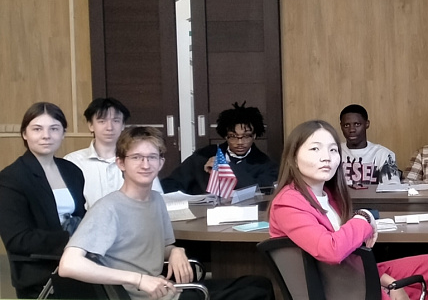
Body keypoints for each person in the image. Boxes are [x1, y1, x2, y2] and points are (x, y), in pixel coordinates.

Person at [59, 126, 273, 300]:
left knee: (260, 284)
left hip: (167, 290)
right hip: (143, 295)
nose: (145, 165)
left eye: (152, 157)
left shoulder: (156, 200)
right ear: (121, 163)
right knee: (253, 294)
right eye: (136, 157)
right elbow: (69, 265)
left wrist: (175, 251)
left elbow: (154, 248)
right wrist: (138, 279)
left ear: (161, 163)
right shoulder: (108, 208)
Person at [269, 120, 428, 300]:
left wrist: (385, 280)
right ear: (293, 158)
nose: (326, 157)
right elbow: (332, 251)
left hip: (350, 275)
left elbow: (349, 256)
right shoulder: (288, 201)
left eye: (333, 150)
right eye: (315, 149)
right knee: (423, 291)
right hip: (334, 289)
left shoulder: (330, 195)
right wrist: (363, 217)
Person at [0, 102, 86, 299]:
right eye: (37, 129)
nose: (46, 135)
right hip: (39, 273)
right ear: (24, 134)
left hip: (78, 265)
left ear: (63, 133)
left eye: (54, 129)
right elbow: (17, 239)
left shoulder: (72, 171)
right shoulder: (11, 177)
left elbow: (80, 217)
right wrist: (72, 240)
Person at [65, 97, 164, 208]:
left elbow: (156, 199)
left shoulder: (137, 160)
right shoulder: (73, 161)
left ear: (123, 125)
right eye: (102, 121)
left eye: (116, 121)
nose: (109, 127)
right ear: (91, 125)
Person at [161, 102, 279, 194]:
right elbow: (171, 183)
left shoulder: (265, 164)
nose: (240, 142)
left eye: (246, 136)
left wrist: (227, 167)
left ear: (255, 135)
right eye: (233, 136)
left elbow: (260, 191)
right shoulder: (204, 155)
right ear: (225, 136)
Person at [339, 104, 401, 185]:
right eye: (346, 125)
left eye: (357, 124)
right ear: (341, 126)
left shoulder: (383, 154)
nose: (352, 130)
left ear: (367, 124)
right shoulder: (334, 152)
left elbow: (392, 188)